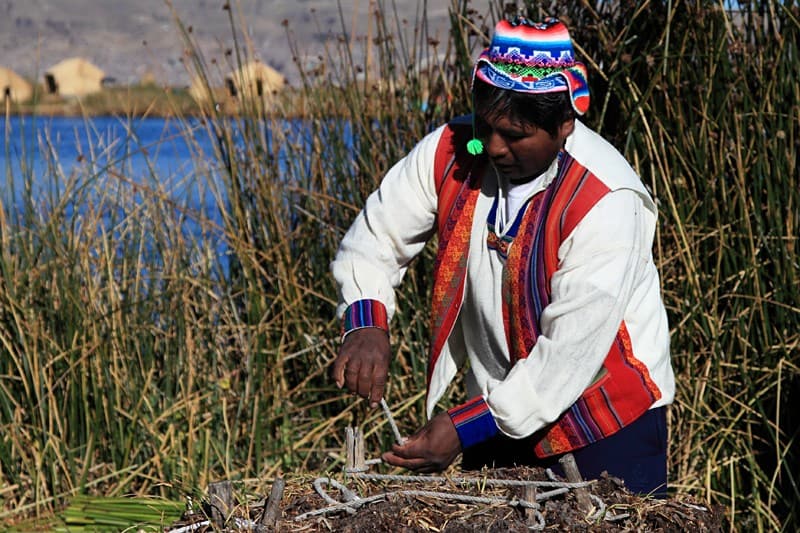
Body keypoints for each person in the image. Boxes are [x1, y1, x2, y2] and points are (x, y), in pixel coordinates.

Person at [330, 17, 675, 496]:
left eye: (515, 135)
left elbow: (566, 356)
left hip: (605, 420)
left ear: (564, 125)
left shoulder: (606, 199)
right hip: (494, 411)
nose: (492, 147)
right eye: (486, 126)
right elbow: (374, 238)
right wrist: (367, 321)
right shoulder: (452, 151)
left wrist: (462, 428)